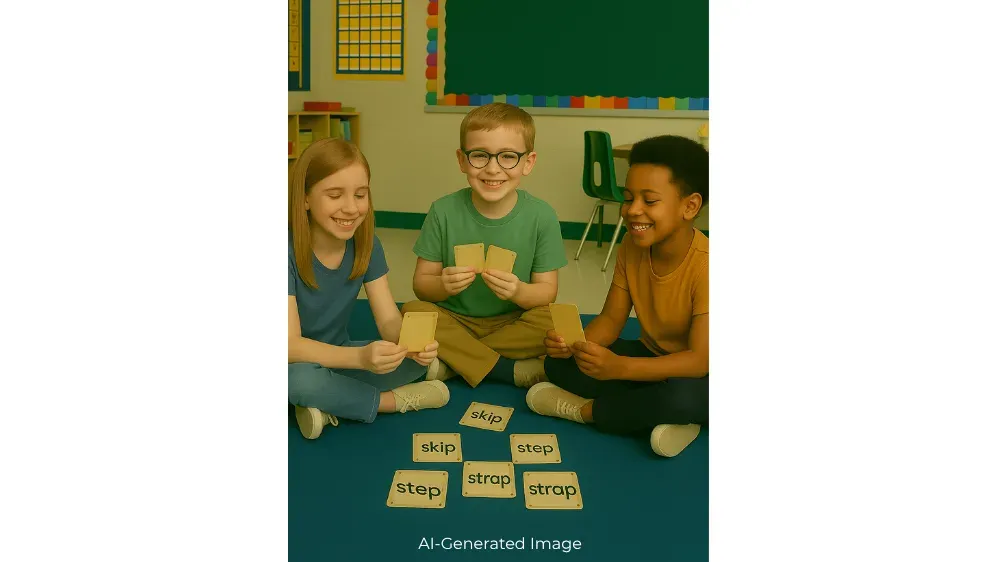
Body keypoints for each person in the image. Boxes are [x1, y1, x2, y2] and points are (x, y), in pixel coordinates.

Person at [527, 134, 709, 457]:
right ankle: (664, 419)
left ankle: (586, 412)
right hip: (651, 360)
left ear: (690, 206)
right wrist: (577, 345)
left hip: (701, 374)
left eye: (649, 201)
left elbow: (699, 360)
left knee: (683, 398)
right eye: (628, 198)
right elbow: (611, 320)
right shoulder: (631, 247)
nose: (632, 210)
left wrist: (620, 369)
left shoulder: (708, 266)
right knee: (559, 367)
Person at [288, 138, 449, 440]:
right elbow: (290, 346)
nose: (351, 208)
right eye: (335, 195)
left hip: (339, 357)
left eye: (360, 194)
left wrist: (409, 344)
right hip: (294, 363)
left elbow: (388, 319)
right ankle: (390, 402)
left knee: (410, 363)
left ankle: (331, 404)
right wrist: (361, 359)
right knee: (297, 381)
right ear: (305, 198)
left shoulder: (367, 243)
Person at [401, 103, 567, 389]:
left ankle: (455, 364)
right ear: (462, 160)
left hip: (512, 321)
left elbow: (547, 293)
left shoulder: (542, 216)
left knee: (554, 320)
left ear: (528, 162)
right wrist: (443, 285)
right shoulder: (443, 211)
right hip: (455, 319)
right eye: (479, 155)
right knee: (411, 311)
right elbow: (421, 286)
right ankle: (505, 370)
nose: (493, 169)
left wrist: (518, 291)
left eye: (508, 157)